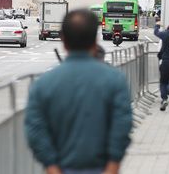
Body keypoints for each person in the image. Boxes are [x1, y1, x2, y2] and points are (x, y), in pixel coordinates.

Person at [25, 10, 132, 174]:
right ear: (95, 40)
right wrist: (113, 166)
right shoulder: (114, 80)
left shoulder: (43, 84)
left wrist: (51, 166)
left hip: (61, 168)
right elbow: (122, 126)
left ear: (64, 40)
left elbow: (35, 130)